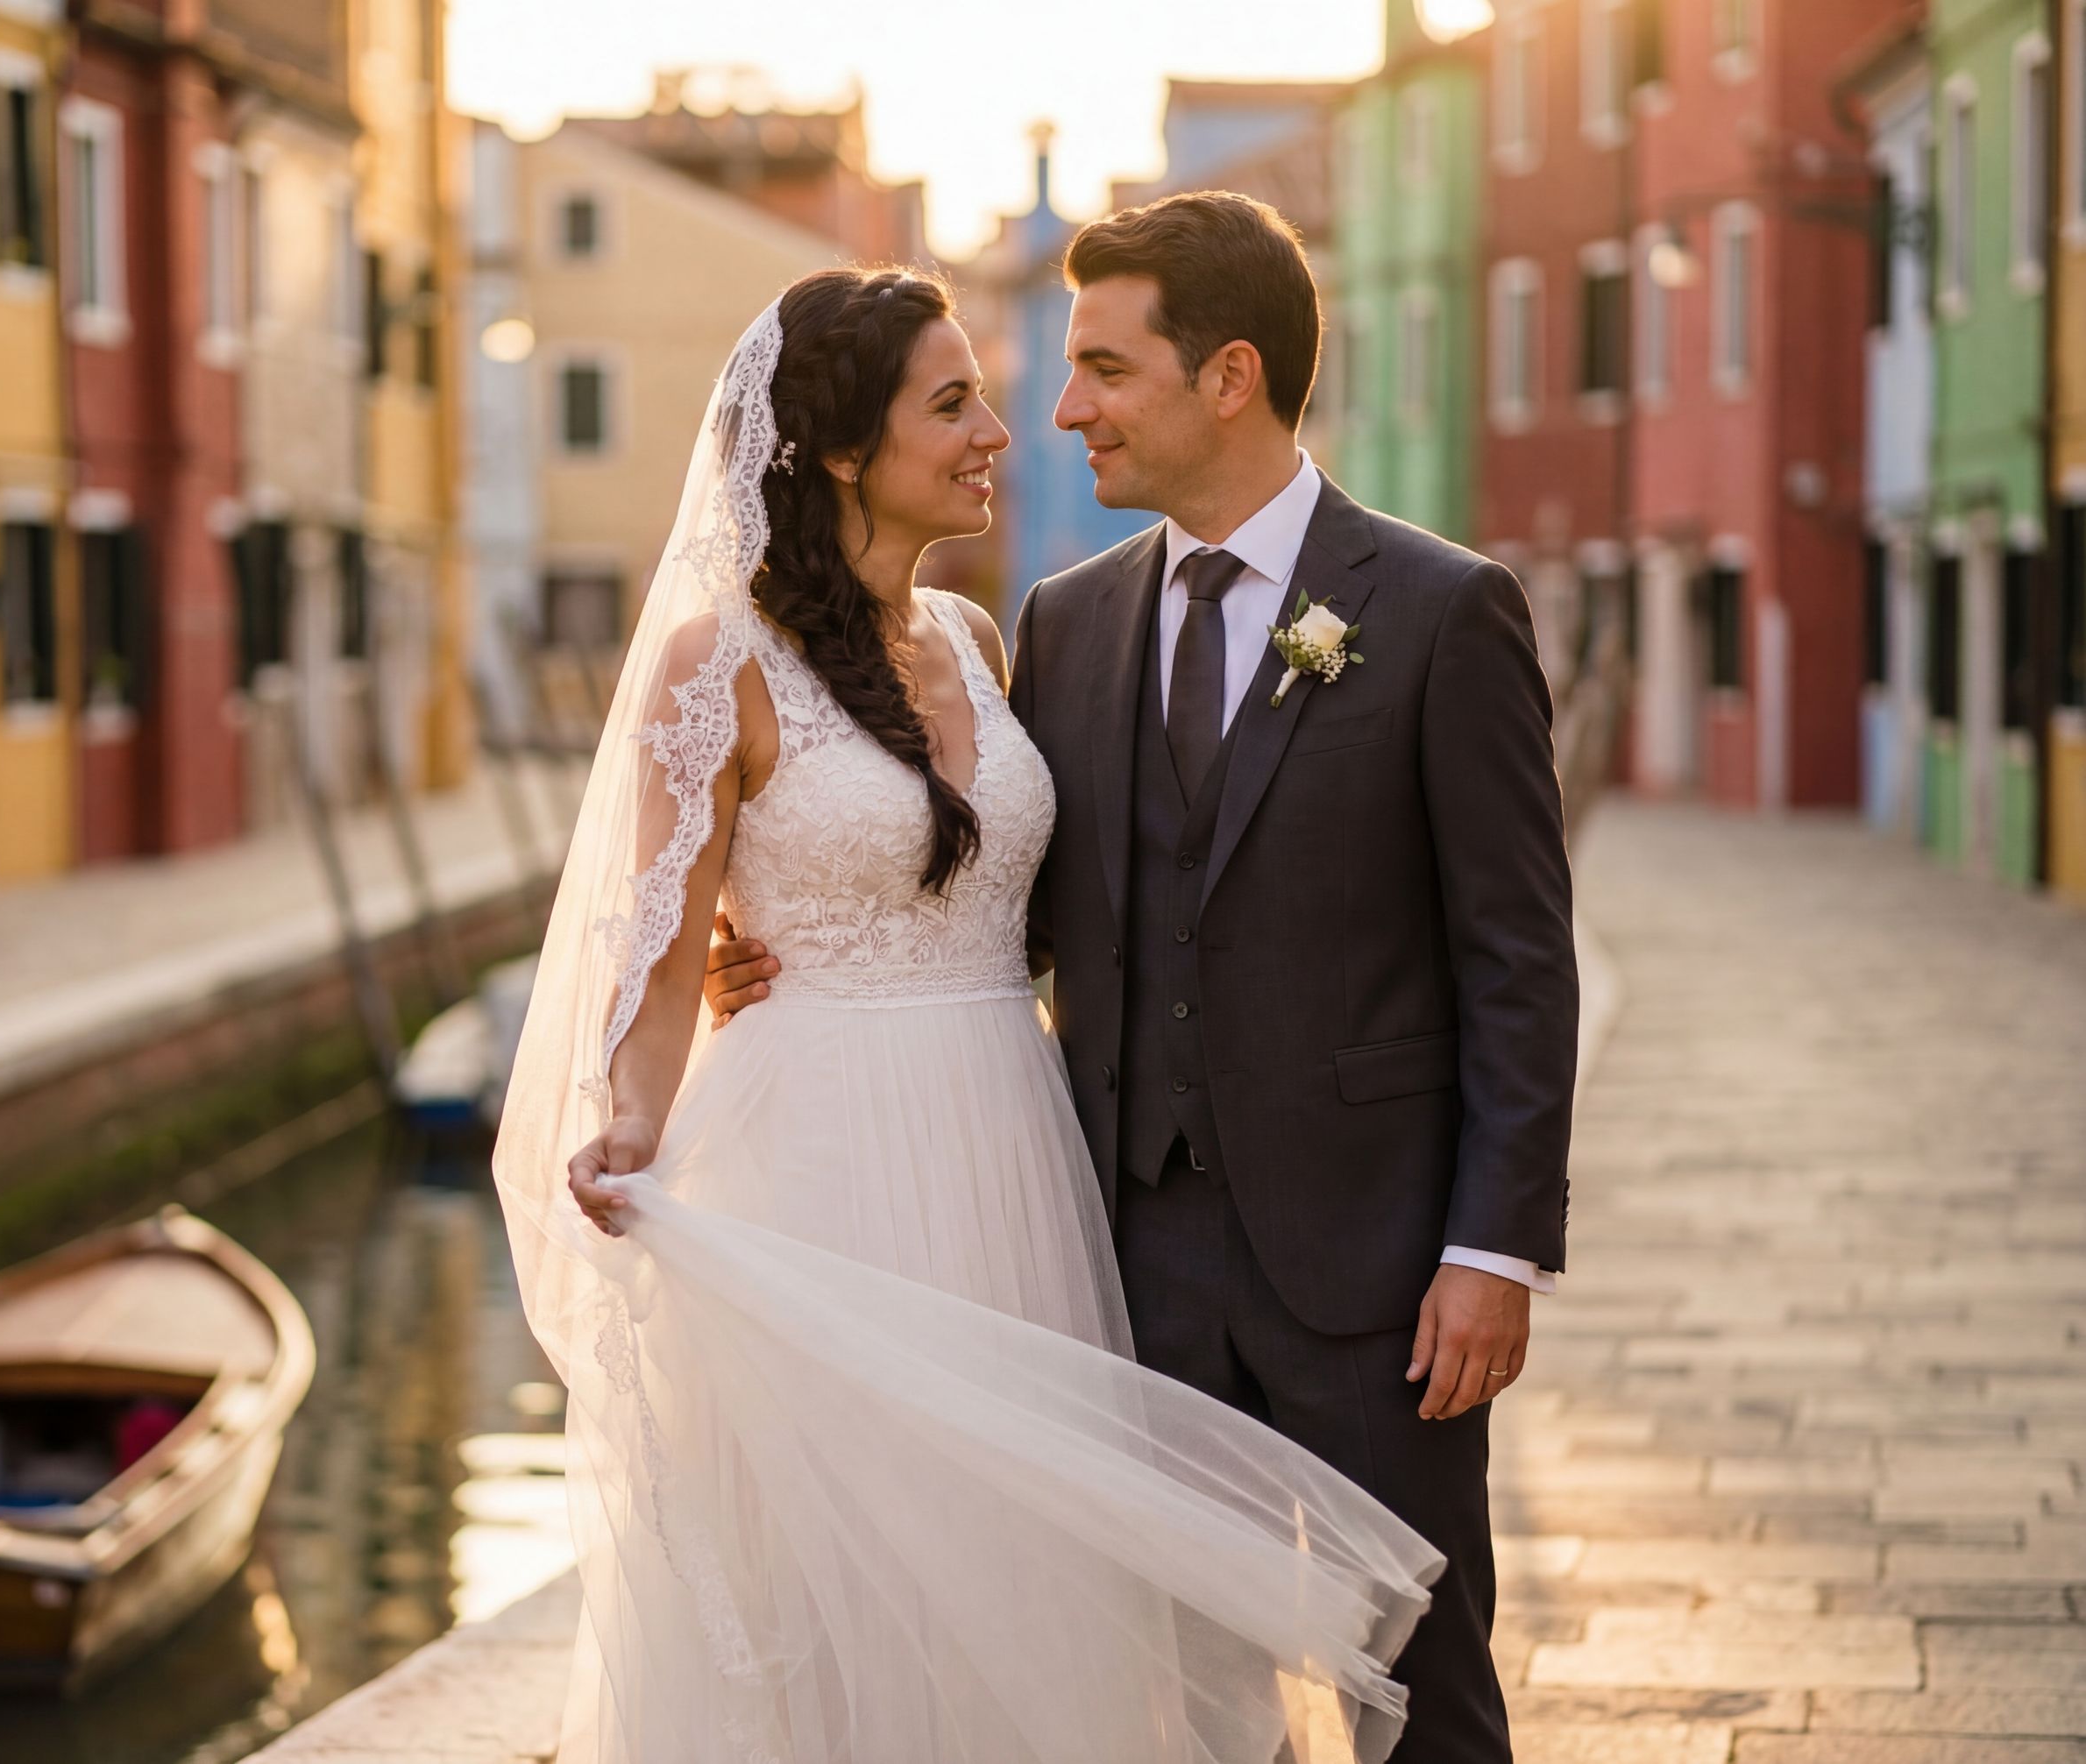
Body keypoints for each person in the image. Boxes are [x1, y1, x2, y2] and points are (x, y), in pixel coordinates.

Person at [494, 259, 1448, 1764]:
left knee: (1034, 1588)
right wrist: (628, 1114)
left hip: (1015, 1148)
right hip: (824, 1168)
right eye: (953, 403)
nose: (1004, 430)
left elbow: (1064, 916)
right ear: (840, 451)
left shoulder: (989, 647)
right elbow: (660, 956)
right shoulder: (713, 666)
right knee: (849, 1593)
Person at [708, 196, 1579, 1760]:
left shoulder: (1445, 612)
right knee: (1180, 1696)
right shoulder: (1066, 619)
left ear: (1228, 374)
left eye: (1104, 367)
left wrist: (1495, 1252)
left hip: (1382, 1279)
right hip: (1121, 1274)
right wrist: (780, 927)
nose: (1061, 408)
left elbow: (1519, 956)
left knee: (1427, 1689)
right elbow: (1013, 903)